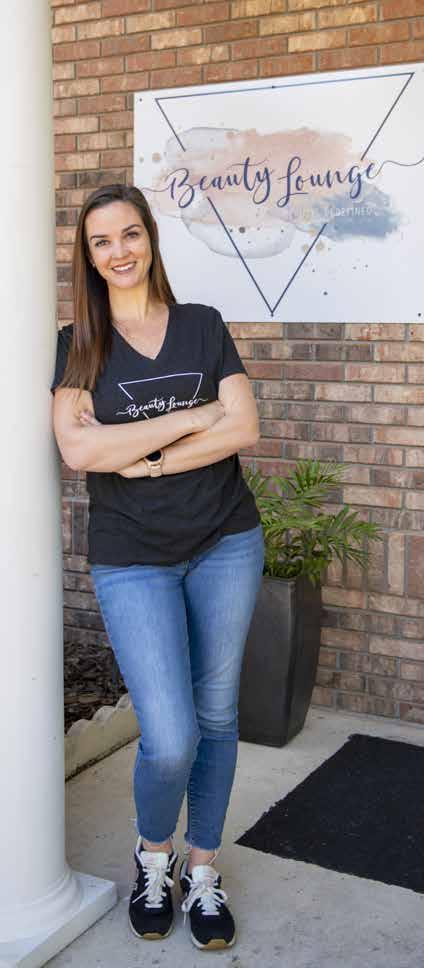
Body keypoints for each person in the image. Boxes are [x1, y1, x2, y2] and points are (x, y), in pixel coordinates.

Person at [50, 183, 265, 952]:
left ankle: (201, 869)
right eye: (102, 241)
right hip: (132, 557)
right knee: (170, 736)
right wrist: (192, 418)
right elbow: (79, 449)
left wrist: (141, 457)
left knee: (217, 717)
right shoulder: (78, 345)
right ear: (88, 256)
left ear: (150, 239)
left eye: (130, 234)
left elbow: (243, 426)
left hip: (226, 543)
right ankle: (154, 856)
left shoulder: (203, 325)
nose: (119, 251)